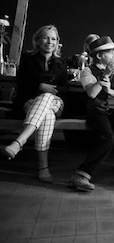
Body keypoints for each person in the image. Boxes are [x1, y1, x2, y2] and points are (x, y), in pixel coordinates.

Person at [0, 25, 67, 183]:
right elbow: (21, 83)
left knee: (47, 98)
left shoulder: (61, 62)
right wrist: (39, 86)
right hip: (30, 101)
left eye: (53, 38)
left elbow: (64, 87)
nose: (49, 41)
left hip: (56, 101)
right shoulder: (27, 58)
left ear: (57, 42)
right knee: (47, 115)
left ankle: (19, 141)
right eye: (45, 37)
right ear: (37, 40)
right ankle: (43, 167)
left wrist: (49, 91)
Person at [69, 36, 114, 192]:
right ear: (99, 56)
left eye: (113, 52)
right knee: (108, 138)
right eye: (110, 52)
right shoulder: (88, 71)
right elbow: (92, 94)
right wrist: (104, 76)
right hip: (96, 109)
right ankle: (82, 175)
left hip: (112, 109)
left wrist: (110, 89)